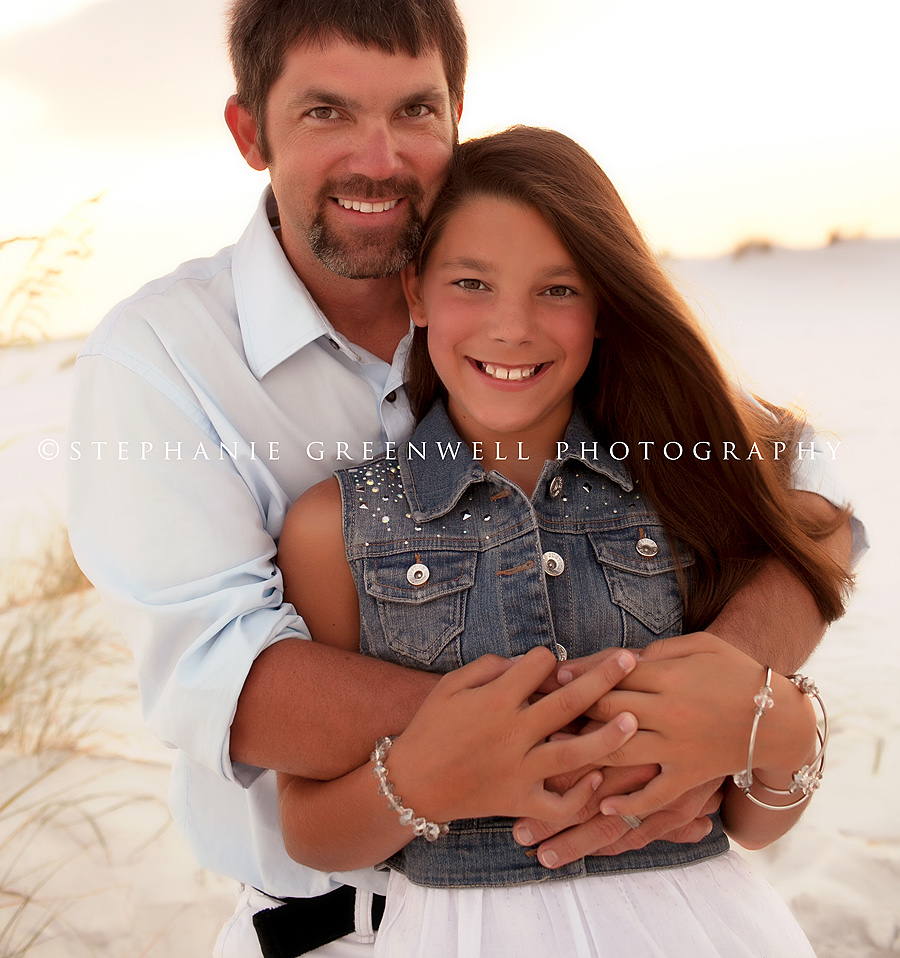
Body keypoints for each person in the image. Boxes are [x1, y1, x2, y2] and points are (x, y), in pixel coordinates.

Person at [66, 0, 858, 957]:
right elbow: (230, 682)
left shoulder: (529, 312)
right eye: (325, 112)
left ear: (454, 118)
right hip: (342, 930)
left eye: (414, 110)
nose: (378, 157)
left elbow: (808, 486)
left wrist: (732, 699)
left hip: (656, 899)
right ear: (247, 130)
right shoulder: (159, 357)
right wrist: (591, 742)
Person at [275, 126, 850, 956]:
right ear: (418, 292)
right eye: (473, 282)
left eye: (558, 290)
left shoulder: (679, 489)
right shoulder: (337, 526)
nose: (512, 329)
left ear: (606, 306)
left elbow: (754, 823)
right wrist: (423, 780)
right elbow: (308, 828)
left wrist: (788, 729)